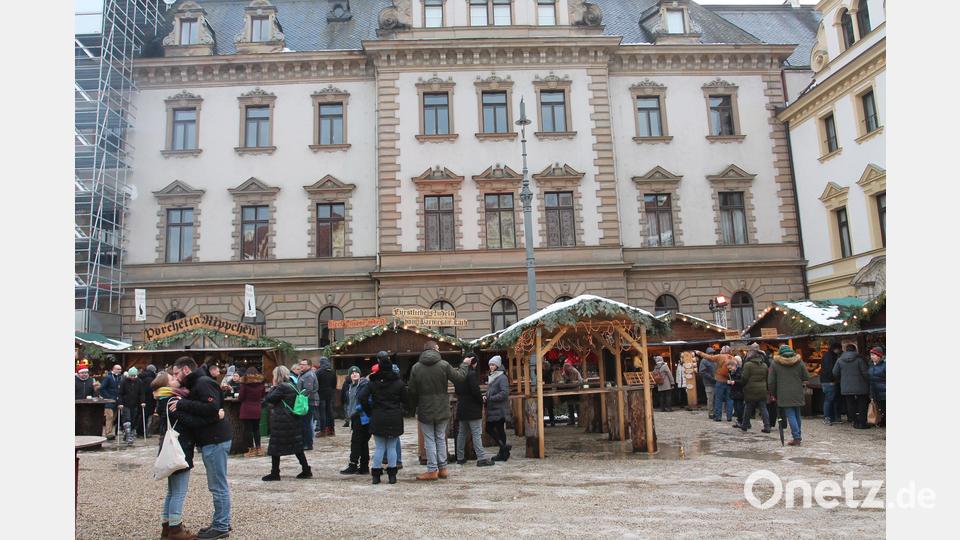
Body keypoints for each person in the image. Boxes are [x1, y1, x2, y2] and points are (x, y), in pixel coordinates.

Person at [170, 356, 232, 539]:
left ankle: (221, 526)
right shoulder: (197, 383)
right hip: (212, 439)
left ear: (186, 370)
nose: (175, 377)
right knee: (217, 484)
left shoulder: (203, 382)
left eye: (176, 373)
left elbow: (212, 407)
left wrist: (182, 404)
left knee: (217, 485)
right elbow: (213, 411)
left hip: (215, 439)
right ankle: (221, 521)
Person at [151, 368, 204, 540]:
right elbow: (189, 421)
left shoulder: (163, 399)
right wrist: (213, 416)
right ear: (167, 385)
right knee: (179, 491)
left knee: (171, 491)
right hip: (180, 448)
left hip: (170, 448)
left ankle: (166, 527)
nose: (175, 378)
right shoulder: (173, 400)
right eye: (171, 378)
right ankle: (175, 529)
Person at [407, 341, 468, 481]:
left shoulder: (416, 367)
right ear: (435, 349)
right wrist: (464, 364)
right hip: (442, 407)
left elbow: (412, 390)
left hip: (425, 408)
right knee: (440, 438)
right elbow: (459, 378)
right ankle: (443, 469)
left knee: (429, 440)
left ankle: (432, 470)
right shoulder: (444, 365)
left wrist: (413, 407)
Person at [358, 352, 408, 484]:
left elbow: (362, 398)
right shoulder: (398, 383)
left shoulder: (372, 382)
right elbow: (407, 399)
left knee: (379, 447)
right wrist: (401, 410)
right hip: (394, 416)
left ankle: (376, 475)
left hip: (378, 415)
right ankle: (392, 475)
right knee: (391, 447)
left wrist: (369, 411)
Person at [261, 366, 312, 481]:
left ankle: (275, 473)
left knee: (275, 447)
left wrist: (273, 386)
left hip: (282, 421)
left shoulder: (281, 387)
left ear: (277, 375)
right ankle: (306, 469)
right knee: (297, 446)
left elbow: (270, 398)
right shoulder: (291, 385)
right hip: (292, 419)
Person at [454, 354, 494, 467]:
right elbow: (475, 391)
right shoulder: (471, 374)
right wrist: (481, 400)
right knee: (476, 433)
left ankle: (460, 457)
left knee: (462, 433)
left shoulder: (458, 374)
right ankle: (481, 458)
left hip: (462, 406)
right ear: (474, 363)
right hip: (473, 407)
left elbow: (457, 390)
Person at [768, 345, 810, 446]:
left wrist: (773, 393)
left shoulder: (775, 363)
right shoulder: (799, 362)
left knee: (790, 414)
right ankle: (798, 435)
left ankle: (796, 437)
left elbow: (771, 382)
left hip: (783, 392)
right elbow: (806, 376)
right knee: (797, 414)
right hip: (797, 391)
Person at [340, 365, 371, 475]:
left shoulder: (363, 385)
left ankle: (353, 464)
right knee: (362, 442)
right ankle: (364, 466)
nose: (354, 374)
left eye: (356, 372)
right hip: (354, 416)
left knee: (356, 442)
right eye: (352, 373)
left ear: (360, 374)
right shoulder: (350, 386)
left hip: (361, 416)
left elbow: (364, 400)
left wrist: (359, 411)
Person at [832, 344, 870, 429]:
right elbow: (865, 373)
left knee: (850, 404)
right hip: (861, 385)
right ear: (855, 350)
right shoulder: (860, 359)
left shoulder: (840, 360)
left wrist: (842, 378)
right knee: (862, 404)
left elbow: (834, 372)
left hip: (846, 386)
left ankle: (855, 421)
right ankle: (862, 422)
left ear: (845, 350)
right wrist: (868, 381)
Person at [696, 346, 735, 422]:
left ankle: (718, 417)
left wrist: (699, 353)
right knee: (729, 400)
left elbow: (709, 358)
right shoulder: (732, 358)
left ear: (722, 351)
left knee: (718, 399)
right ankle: (729, 417)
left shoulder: (719, 357)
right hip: (729, 382)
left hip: (719, 381)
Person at [485, 355, 512, 462]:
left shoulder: (502, 377)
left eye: (493, 364)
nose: (491, 367)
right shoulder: (493, 376)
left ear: (497, 365)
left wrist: (491, 398)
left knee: (491, 428)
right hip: (494, 408)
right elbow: (492, 391)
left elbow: (504, 393)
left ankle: (503, 450)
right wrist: (486, 396)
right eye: (490, 365)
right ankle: (503, 451)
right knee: (498, 430)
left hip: (499, 409)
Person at [739, 349, 771, 433]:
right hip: (762, 389)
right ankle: (767, 426)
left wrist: (743, 385)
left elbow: (744, 378)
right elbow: (767, 378)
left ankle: (744, 425)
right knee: (763, 408)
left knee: (748, 408)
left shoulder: (748, 365)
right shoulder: (764, 365)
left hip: (750, 389)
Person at [238, 366, 265, 457]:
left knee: (248, 430)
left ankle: (251, 449)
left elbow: (241, 397)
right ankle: (259, 448)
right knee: (256, 429)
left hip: (246, 409)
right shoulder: (261, 385)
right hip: (257, 408)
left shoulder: (244, 385)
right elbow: (262, 396)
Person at [118, 367, 145, 446]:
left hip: (135, 403)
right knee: (127, 419)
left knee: (133, 419)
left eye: (134, 376)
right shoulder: (124, 381)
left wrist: (142, 401)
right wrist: (120, 403)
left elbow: (141, 393)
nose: (132, 377)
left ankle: (128, 434)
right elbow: (120, 393)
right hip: (125, 403)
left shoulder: (139, 381)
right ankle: (128, 435)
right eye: (131, 376)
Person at [296, 359, 319, 451]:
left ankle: (307, 443)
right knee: (305, 422)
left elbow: (308, 389)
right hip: (306, 401)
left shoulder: (308, 375)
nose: (301, 366)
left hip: (308, 401)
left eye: (304, 364)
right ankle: (306, 442)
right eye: (301, 364)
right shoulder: (304, 374)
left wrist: (300, 397)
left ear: (309, 365)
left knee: (306, 423)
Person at [819, 341, 843, 425]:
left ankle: (833, 417)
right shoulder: (830, 356)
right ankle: (827, 417)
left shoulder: (828, 355)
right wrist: (833, 380)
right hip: (829, 381)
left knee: (832, 399)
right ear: (836, 349)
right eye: (839, 349)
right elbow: (830, 370)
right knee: (829, 400)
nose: (840, 351)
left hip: (826, 380)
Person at [315, 356, 338, 437]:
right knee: (330, 411)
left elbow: (316, 384)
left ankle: (323, 431)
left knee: (322, 413)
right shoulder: (332, 371)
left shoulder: (319, 371)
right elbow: (334, 383)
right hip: (330, 394)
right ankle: (331, 430)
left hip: (321, 394)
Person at [100, 364, 122, 439]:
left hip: (116, 400)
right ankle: (108, 433)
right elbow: (102, 388)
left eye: (120, 369)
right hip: (109, 400)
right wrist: (108, 397)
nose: (119, 371)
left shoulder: (119, 378)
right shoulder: (108, 377)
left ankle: (111, 432)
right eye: (118, 369)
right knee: (109, 416)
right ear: (114, 369)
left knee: (114, 417)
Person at [560, 358, 584, 425]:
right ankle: (573, 420)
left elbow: (571, 381)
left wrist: (565, 377)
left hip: (575, 390)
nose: (564, 368)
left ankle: (579, 420)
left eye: (565, 367)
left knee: (575, 405)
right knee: (571, 405)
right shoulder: (569, 370)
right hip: (572, 390)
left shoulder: (572, 371)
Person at [867, 347, 886, 427]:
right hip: (874, 391)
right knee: (879, 408)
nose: (872, 356)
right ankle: (881, 421)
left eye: (874, 355)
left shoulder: (885, 366)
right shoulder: (871, 365)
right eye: (871, 355)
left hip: (884, 391)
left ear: (879, 356)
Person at [139, 365, 158, 436]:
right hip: (149, 400)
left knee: (142, 416)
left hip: (142, 400)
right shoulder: (151, 379)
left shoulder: (141, 377)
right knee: (147, 417)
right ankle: (145, 432)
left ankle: (140, 431)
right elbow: (150, 390)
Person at [697, 348, 717, 418]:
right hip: (708, 383)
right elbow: (702, 372)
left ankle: (716, 412)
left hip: (716, 382)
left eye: (713, 353)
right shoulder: (704, 361)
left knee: (715, 399)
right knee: (710, 399)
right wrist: (711, 378)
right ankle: (711, 413)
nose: (712, 354)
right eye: (711, 353)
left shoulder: (715, 360)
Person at [728, 357, 744, 427]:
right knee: (737, 408)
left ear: (734, 365)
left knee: (739, 407)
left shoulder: (740, 371)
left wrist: (734, 382)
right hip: (735, 392)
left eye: (730, 368)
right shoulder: (732, 372)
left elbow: (742, 381)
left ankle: (742, 421)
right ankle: (739, 421)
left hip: (740, 392)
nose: (730, 370)